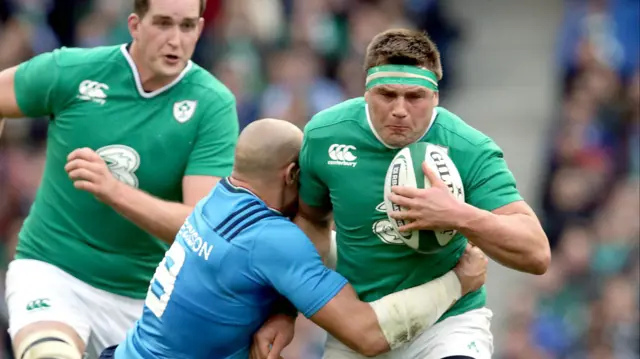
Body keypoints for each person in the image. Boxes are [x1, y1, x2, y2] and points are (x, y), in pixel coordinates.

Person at [259, 29, 551, 359]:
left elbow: (537, 253)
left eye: (414, 97)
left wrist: (457, 215)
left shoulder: (470, 149)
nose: (400, 109)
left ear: (436, 97)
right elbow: (310, 225)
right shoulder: (325, 135)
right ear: (366, 92)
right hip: (362, 324)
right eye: (387, 95)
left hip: (446, 324)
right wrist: (285, 311)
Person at [97, 118, 488, 359]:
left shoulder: (214, 202)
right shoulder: (270, 238)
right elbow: (366, 334)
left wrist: (284, 311)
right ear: (291, 175)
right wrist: (456, 283)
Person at [0, 0, 239, 358]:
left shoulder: (212, 105)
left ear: (200, 29)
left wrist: (113, 191)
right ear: (134, 25)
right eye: (162, 24)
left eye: (187, 26)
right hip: (53, 271)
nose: (175, 39)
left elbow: (198, 227)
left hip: (146, 299)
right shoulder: (75, 69)